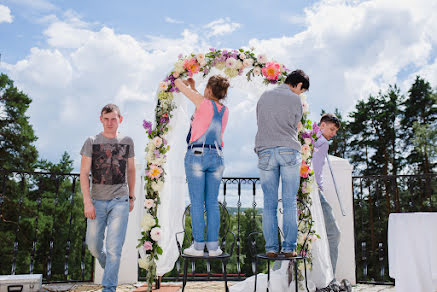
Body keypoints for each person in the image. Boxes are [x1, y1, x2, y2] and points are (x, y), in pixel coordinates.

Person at [80, 104, 135, 292]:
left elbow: (131, 169)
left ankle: (109, 288)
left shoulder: (127, 141)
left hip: (120, 200)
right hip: (96, 201)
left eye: (114, 119)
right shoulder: (91, 141)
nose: (110, 122)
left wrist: (131, 197)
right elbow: (84, 173)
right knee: (94, 247)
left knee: (114, 248)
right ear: (101, 119)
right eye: (106, 119)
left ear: (120, 119)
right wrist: (87, 202)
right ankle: (110, 270)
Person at [254, 69, 309, 258]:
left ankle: (270, 248)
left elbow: (259, 121)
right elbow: (296, 124)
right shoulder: (295, 99)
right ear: (299, 85)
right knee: (289, 202)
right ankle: (289, 248)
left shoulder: (264, 95)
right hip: (288, 150)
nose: (300, 93)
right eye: (302, 90)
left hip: (265, 150)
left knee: (268, 203)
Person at [174, 75, 230, 257]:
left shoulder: (203, 103)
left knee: (197, 203)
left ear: (208, 90)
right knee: (212, 203)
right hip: (217, 156)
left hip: (197, 154)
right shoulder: (224, 110)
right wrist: (195, 88)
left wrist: (177, 76)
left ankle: (198, 246)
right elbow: (205, 105)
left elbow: (178, 85)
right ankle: (213, 247)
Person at [312, 113, 343, 289]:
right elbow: (315, 171)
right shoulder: (323, 143)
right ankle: (330, 278)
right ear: (322, 125)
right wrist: (319, 191)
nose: (333, 133)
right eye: (331, 129)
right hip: (314, 192)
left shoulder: (307, 137)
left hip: (302, 191)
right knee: (333, 233)